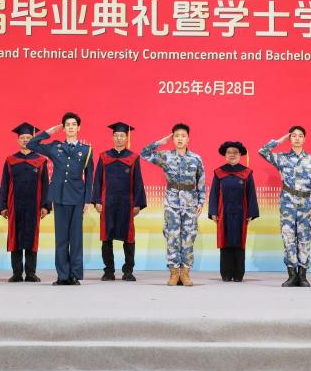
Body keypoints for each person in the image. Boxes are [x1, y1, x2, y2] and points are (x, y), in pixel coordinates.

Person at [30, 113, 94, 286]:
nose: (71, 127)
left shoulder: (86, 150)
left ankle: (74, 275)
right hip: (59, 196)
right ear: (64, 128)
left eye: (73, 124)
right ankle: (62, 275)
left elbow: (89, 176)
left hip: (77, 197)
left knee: (76, 238)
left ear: (79, 128)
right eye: (67, 124)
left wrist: (87, 200)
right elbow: (31, 144)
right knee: (61, 238)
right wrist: (48, 132)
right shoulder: (55, 147)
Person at [142, 124, 206, 286]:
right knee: (172, 237)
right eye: (176, 136)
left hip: (190, 203)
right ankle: (174, 273)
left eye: (183, 136)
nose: (180, 138)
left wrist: (201, 202)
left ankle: (185, 273)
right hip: (172, 203)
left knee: (188, 237)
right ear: (173, 139)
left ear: (188, 139)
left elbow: (201, 182)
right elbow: (144, 153)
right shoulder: (166, 156)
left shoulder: (196, 158)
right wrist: (160, 142)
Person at [260, 126, 311, 288]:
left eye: (300, 136)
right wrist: (280, 140)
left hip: (305, 204)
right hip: (287, 203)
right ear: (290, 138)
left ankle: (303, 275)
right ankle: (292, 274)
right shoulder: (282, 158)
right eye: (293, 136)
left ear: (304, 139)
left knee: (304, 238)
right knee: (288, 238)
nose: (297, 138)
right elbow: (263, 151)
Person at [91, 122, 146, 282]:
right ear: (112, 137)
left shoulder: (133, 158)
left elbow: (138, 181)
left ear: (127, 138)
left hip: (126, 204)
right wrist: (97, 201)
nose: (119, 138)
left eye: (122, 135)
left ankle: (128, 271)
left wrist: (137, 204)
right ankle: (109, 271)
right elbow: (97, 180)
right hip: (107, 203)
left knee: (128, 238)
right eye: (116, 135)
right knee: (106, 238)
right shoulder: (104, 157)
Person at [0, 122, 51, 283]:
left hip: (34, 205)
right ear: (18, 140)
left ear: (33, 140)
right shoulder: (11, 160)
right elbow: (4, 184)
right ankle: (16, 273)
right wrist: (2, 206)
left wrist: (45, 205)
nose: (25, 140)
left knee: (31, 237)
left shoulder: (41, 160)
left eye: (29, 137)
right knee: (15, 237)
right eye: (22, 137)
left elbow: (46, 185)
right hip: (14, 205)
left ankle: (30, 273)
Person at [208, 141, 259, 283]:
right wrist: (213, 211)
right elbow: (213, 194)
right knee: (225, 241)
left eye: (235, 152)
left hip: (241, 213)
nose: (232, 155)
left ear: (240, 155)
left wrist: (251, 212)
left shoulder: (246, 173)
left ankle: (238, 273)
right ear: (225, 155)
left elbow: (251, 194)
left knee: (239, 241)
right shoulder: (219, 173)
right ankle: (225, 273)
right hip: (223, 213)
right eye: (229, 152)